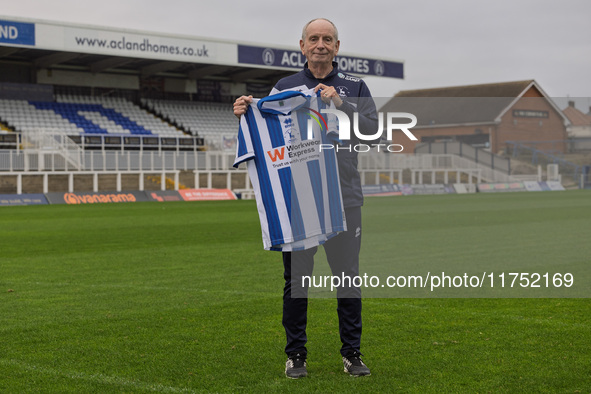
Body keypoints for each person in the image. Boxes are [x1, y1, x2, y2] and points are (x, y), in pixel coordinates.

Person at [233, 17, 378, 378]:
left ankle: (352, 353)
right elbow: (269, 127)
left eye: (327, 39)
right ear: (302, 46)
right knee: (298, 281)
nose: (320, 44)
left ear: (337, 47)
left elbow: (373, 133)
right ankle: (296, 354)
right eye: (313, 38)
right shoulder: (285, 85)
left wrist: (341, 103)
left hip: (345, 197)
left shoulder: (355, 86)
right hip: (300, 200)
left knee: (347, 278)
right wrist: (246, 111)